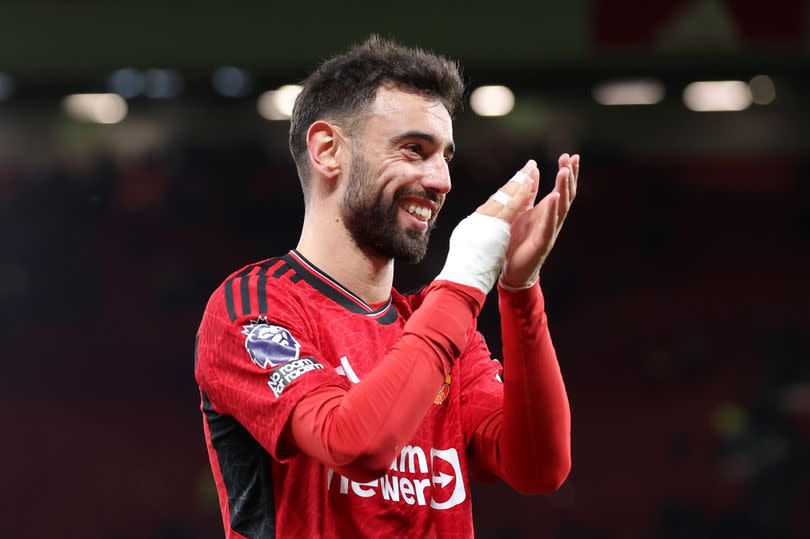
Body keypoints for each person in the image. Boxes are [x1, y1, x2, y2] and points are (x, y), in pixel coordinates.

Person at [195, 35, 579, 538]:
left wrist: (520, 289)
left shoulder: (437, 327)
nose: (441, 179)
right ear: (328, 150)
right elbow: (356, 444)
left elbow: (539, 467)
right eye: (414, 150)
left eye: (444, 156)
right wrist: (463, 281)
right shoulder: (255, 308)